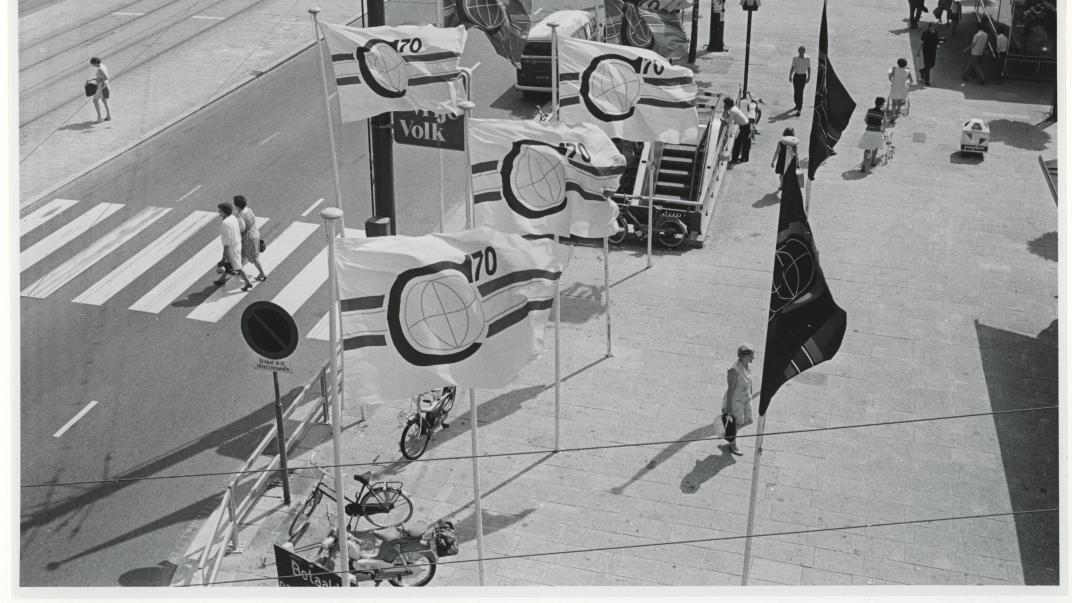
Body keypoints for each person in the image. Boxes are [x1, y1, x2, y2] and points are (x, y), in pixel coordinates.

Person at [720, 345, 755, 456]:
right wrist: (729, 406)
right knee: (736, 422)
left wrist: (751, 394)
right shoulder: (734, 370)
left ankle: (730, 435)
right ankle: (732, 444)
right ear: (745, 356)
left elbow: (749, 381)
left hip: (746, 398)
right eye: (752, 355)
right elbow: (731, 389)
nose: (753, 358)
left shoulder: (747, 366)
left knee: (749, 420)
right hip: (736, 401)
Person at [216, 203, 253, 291]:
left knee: (237, 266)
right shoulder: (232, 218)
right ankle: (222, 279)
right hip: (236, 244)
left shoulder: (225, 223)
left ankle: (248, 283)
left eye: (220, 211)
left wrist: (225, 253)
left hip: (231, 247)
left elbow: (228, 239)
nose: (218, 212)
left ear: (224, 212)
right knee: (229, 263)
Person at [233, 195, 268, 281]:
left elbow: (241, 229)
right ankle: (239, 269)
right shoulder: (249, 210)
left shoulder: (240, 216)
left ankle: (262, 273)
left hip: (248, 238)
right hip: (255, 233)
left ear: (237, 206)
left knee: (254, 258)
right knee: (243, 253)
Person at [857, 97, 888, 173]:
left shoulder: (870, 110)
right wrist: (883, 129)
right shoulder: (882, 113)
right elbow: (885, 123)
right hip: (877, 131)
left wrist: (869, 125)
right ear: (881, 105)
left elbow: (865, 120)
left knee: (867, 148)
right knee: (875, 147)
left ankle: (864, 163)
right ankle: (872, 161)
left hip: (868, 130)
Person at [723, 97, 751, 164]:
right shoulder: (734, 108)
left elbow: (728, 121)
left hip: (744, 127)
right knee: (745, 143)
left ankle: (734, 159)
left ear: (727, 105)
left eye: (725, 104)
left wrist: (725, 112)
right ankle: (745, 158)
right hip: (745, 125)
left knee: (737, 144)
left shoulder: (733, 111)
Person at [887, 58, 913, 123]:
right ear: (906, 64)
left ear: (898, 64)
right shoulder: (908, 71)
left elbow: (890, 77)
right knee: (899, 103)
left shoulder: (894, 70)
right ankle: (897, 114)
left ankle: (893, 114)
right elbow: (911, 81)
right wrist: (907, 82)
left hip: (895, 87)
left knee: (893, 103)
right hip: (903, 88)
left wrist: (892, 81)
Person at [788, 46, 811, 116]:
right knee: (796, 93)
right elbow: (792, 67)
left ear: (804, 51)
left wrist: (809, 76)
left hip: (803, 76)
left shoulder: (807, 58)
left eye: (802, 51)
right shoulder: (795, 58)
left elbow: (809, 68)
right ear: (798, 52)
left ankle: (799, 109)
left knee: (800, 93)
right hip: (796, 76)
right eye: (800, 51)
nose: (801, 53)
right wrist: (790, 76)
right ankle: (797, 104)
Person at [89, 57, 111, 123]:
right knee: (104, 101)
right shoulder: (103, 66)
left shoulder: (100, 69)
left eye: (93, 64)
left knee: (95, 101)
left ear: (95, 63)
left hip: (101, 87)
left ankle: (99, 118)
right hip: (106, 86)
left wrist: (100, 86)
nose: (93, 66)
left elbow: (106, 78)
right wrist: (92, 79)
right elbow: (102, 77)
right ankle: (108, 116)